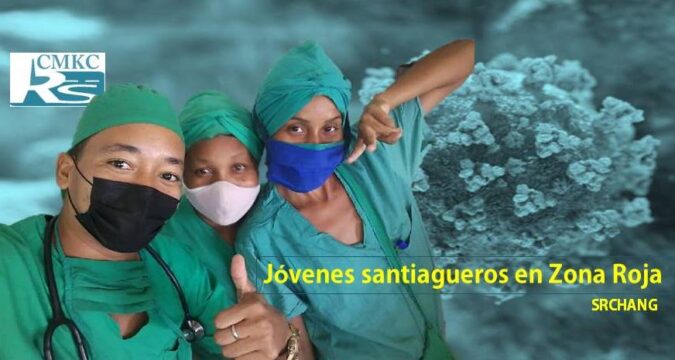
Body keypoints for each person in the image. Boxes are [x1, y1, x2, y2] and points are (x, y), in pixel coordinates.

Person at [0, 84, 299, 359]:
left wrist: (281, 345)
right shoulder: (12, 263)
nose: (146, 188)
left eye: (167, 175)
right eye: (121, 164)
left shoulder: (176, 267)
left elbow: (246, 347)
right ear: (65, 171)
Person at [235, 40, 475, 359]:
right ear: (267, 129)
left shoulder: (376, 155)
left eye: (330, 128)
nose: (315, 143)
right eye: (295, 128)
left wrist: (386, 101)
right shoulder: (263, 238)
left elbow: (465, 55)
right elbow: (300, 348)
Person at [162, 90, 315, 358]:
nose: (223, 186)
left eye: (238, 168)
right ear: (182, 174)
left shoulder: (281, 217)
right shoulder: (163, 241)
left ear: (257, 166)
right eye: (203, 171)